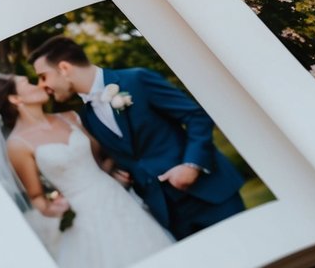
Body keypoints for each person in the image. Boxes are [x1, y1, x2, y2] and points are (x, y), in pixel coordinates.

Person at [0, 74, 172, 268]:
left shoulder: (71, 117)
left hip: (116, 198)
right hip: (82, 216)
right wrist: (55, 210)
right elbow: (36, 198)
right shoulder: (17, 145)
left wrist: (112, 171)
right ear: (16, 100)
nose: (39, 84)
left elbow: (100, 159)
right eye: (28, 84)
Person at [31, 36, 246, 240]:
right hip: (167, 215)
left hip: (209, 195)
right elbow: (123, 153)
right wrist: (114, 172)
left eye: (43, 76)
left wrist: (192, 165)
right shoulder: (86, 117)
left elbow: (196, 117)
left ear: (64, 68)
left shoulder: (137, 79)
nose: (41, 85)